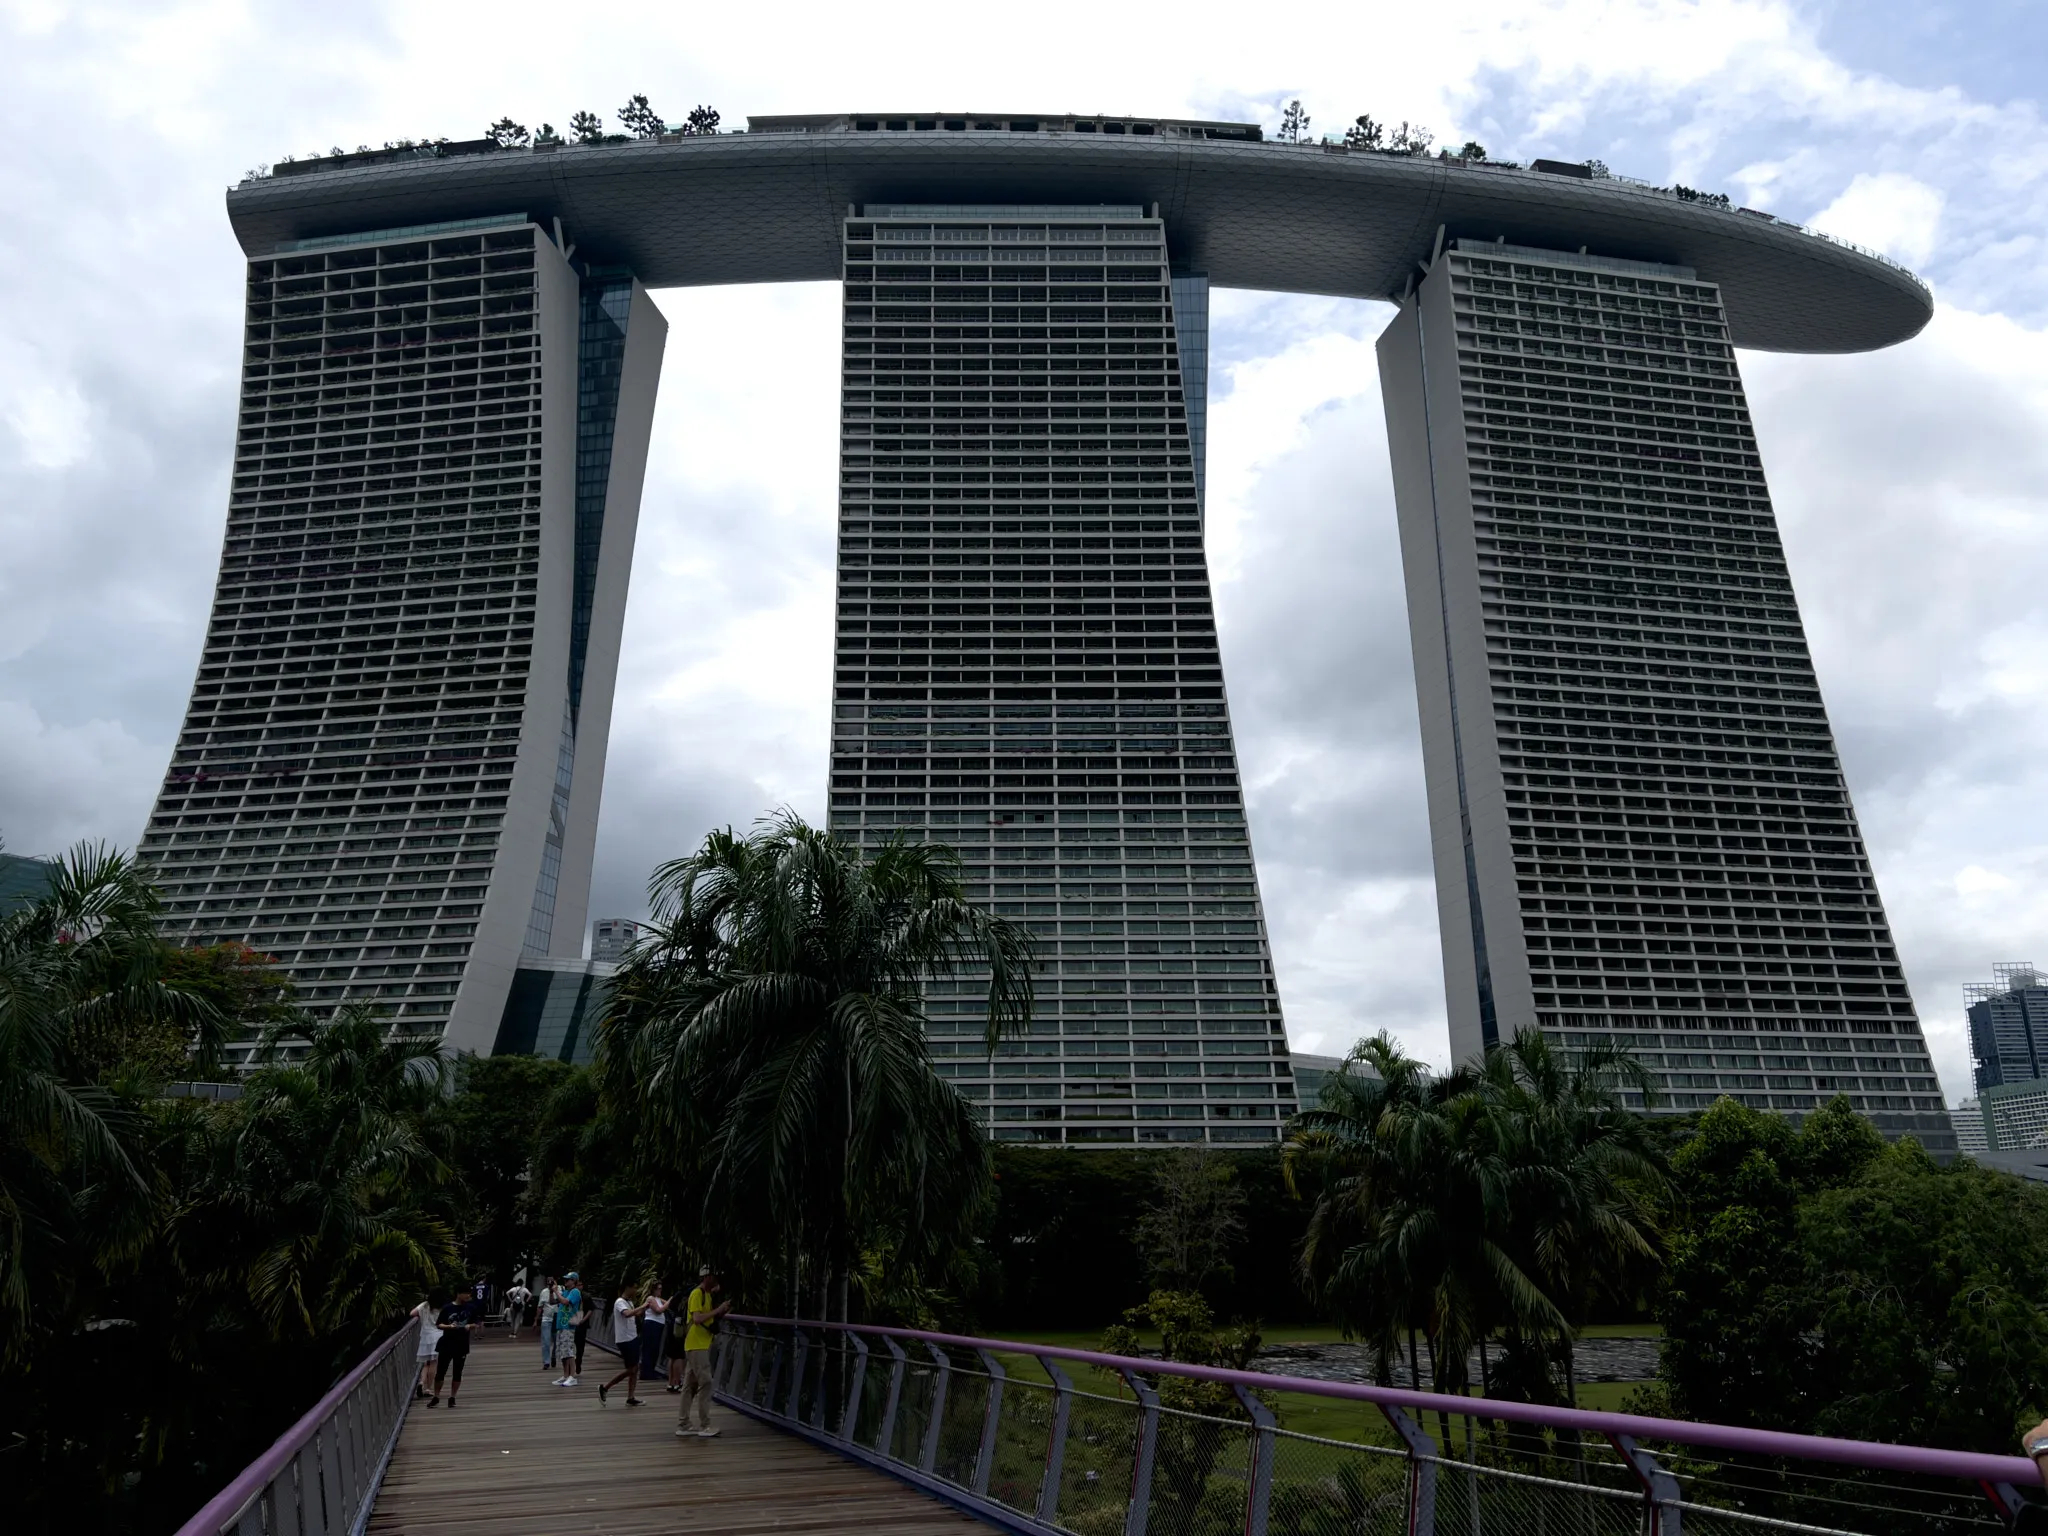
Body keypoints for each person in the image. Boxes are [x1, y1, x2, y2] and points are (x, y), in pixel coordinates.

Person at [675, 1264, 731, 1439]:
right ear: (705, 1277)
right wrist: (718, 1309)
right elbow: (698, 1318)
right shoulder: (696, 1294)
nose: (715, 1279)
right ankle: (705, 1425)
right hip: (696, 1343)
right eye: (713, 1276)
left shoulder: (707, 1295)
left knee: (690, 1385)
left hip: (699, 1344)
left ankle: (683, 1424)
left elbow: (709, 1318)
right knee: (705, 1382)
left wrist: (722, 1311)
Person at [429, 1284, 479, 1407]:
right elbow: (439, 1324)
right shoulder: (447, 1308)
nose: (468, 1295)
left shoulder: (471, 1308)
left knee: (458, 1372)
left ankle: (452, 1397)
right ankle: (436, 1396)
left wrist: (470, 1326)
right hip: (447, 1343)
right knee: (441, 1371)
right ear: (458, 1293)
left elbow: (476, 1323)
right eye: (466, 1293)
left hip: (462, 1344)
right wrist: (449, 1327)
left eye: (469, 1293)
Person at [598, 1285, 647, 1406]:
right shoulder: (619, 1302)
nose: (636, 1291)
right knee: (632, 1369)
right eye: (634, 1288)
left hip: (633, 1337)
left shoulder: (629, 1302)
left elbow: (636, 1314)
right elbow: (627, 1314)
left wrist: (647, 1306)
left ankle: (631, 1397)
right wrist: (643, 1306)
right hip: (625, 1340)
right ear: (627, 1288)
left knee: (635, 1368)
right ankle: (605, 1387)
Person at [552, 1271, 586, 1387]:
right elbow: (554, 1301)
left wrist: (556, 1291)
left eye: (568, 1279)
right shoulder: (565, 1291)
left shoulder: (575, 1292)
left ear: (574, 1281)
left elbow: (565, 1302)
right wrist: (554, 1290)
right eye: (565, 1279)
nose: (566, 1281)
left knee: (569, 1350)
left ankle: (572, 1376)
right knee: (562, 1351)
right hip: (561, 1325)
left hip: (568, 1325)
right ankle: (565, 1375)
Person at [411, 1291, 442, 1399]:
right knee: (433, 1363)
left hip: (425, 1336)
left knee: (426, 1364)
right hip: (438, 1335)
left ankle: (421, 1383)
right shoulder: (441, 1306)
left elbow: (412, 1313)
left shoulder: (424, 1305)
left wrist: (421, 1316)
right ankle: (428, 1388)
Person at [536, 1274, 560, 1371]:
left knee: (556, 1341)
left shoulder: (559, 1291)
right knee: (546, 1341)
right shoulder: (543, 1292)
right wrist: (536, 1319)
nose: (550, 1284)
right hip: (546, 1318)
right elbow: (540, 1306)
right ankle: (546, 1362)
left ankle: (553, 1356)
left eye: (551, 1282)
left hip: (556, 1317)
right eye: (548, 1282)